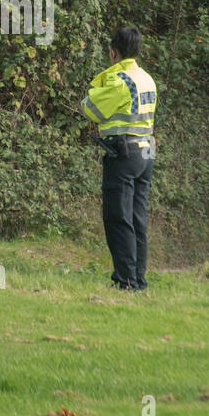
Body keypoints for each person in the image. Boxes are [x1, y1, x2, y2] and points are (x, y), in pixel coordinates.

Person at [80, 26, 157, 290]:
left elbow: (90, 108)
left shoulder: (120, 80)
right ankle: (138, 279)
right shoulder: (147, 78)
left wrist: (101, 80)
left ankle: (125, 281)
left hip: (124, 153)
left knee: (118, 218)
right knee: (137, 218)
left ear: (113, 52)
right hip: (146, 151)